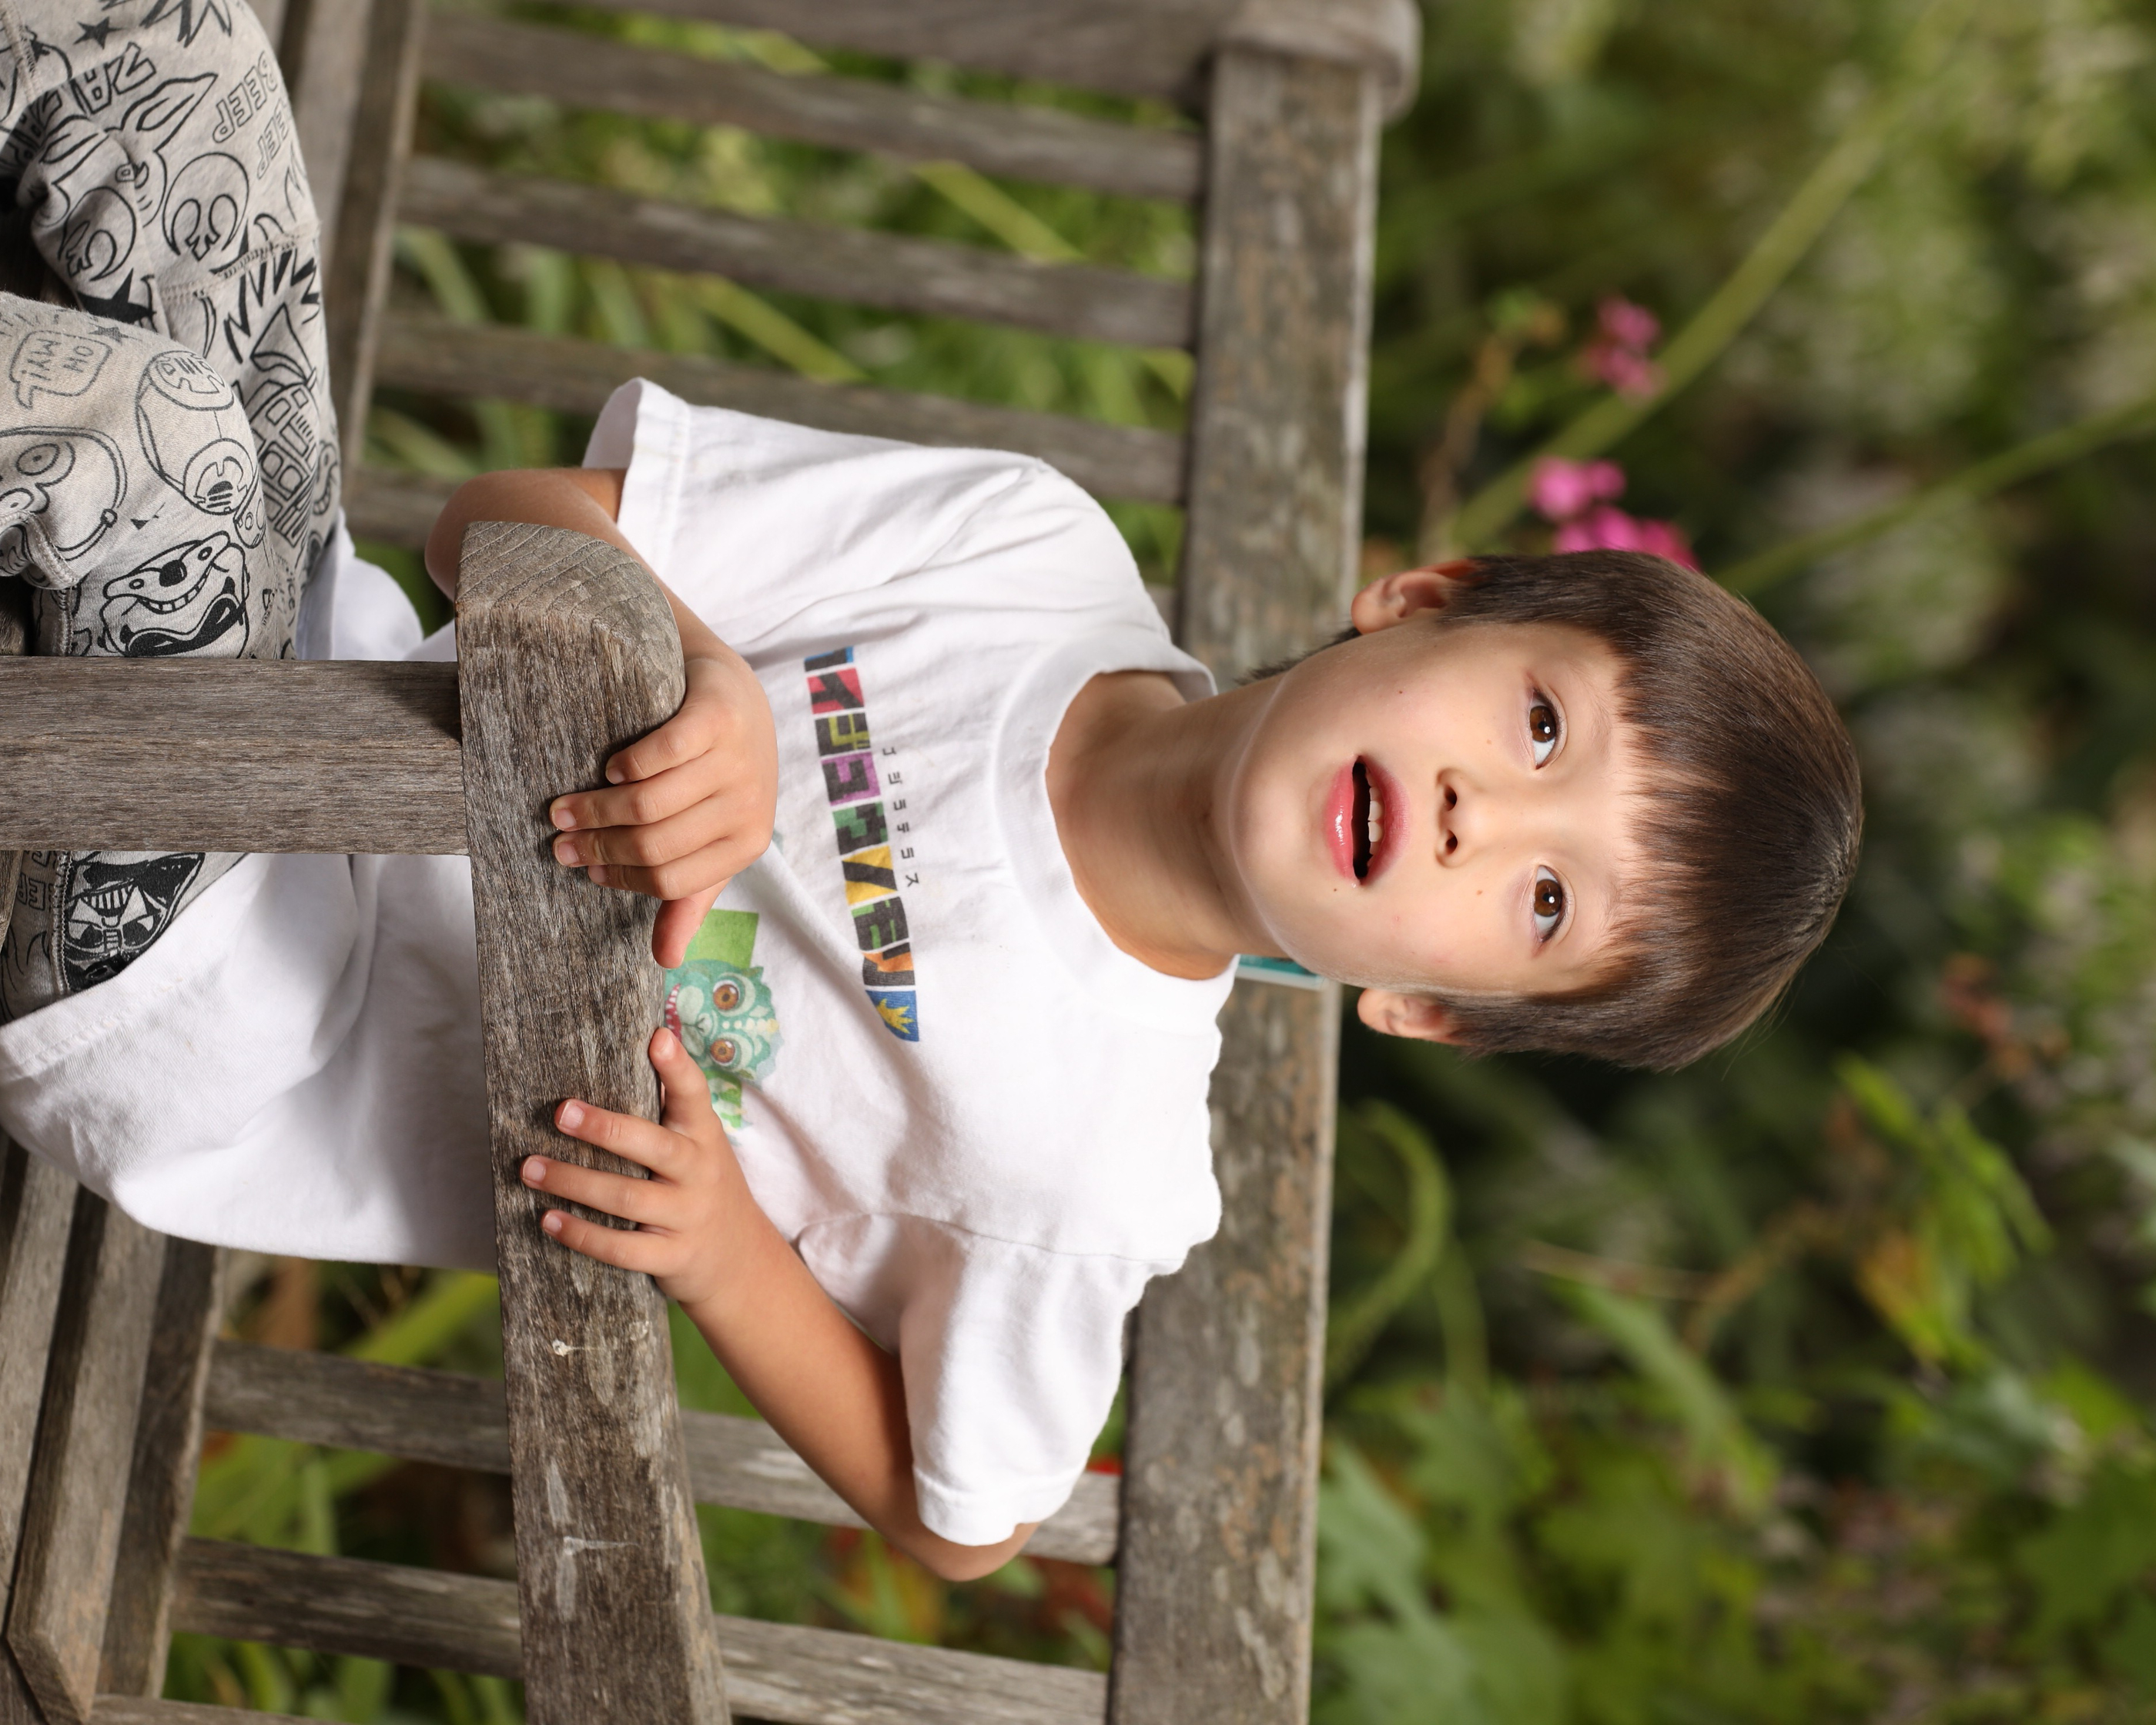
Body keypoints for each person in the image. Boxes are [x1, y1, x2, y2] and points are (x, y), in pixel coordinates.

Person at [0, 0, 1862, 1583]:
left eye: (1542, 901)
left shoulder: (1095, 1162)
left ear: (1427, 1010)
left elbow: (963, 1515)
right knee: (167, 52)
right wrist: (685, 663)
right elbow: (489, 521)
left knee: (134, 451)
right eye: (1538, 729)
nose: (1479, 817)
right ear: (1426, 597)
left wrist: (729, 1254)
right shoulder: (1020, 558)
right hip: (302, 640)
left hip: (221, 999)